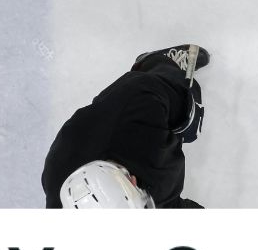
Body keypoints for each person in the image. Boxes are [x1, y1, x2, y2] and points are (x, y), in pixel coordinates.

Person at [42, 44, 209, 209]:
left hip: (140, 107)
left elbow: (143, 91)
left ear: (128, 179)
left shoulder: (134, 111)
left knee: (188, 119)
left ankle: (158, 63)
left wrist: (183, 111)